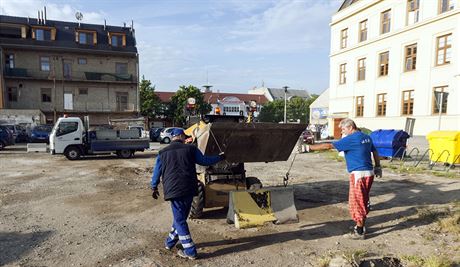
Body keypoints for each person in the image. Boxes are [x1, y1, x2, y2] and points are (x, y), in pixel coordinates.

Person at [151, 128, 224, 260]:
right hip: (189, 189)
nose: (186, 138)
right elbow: (205, 161)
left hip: (173, 190)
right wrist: (220, 157)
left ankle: (189, 251)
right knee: (180, 219)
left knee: (179, 219)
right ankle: (171, 243)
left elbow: (157, 171)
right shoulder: (190, 149)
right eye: (184, 136)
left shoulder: (162, 153)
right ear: (179, 136)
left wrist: (154, 187)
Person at [305, 118, 382, 239]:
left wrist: (309, 148)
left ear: (350, 127)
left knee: (357, 202)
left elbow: (328, 145)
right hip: (369, 173)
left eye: (343, 129)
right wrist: (378, 166)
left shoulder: (351, 139)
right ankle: (360, 226)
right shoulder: (366, 137)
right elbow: (375, 151)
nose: (343, 132)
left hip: (358, 175)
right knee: (364, 199)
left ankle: (360, 231)